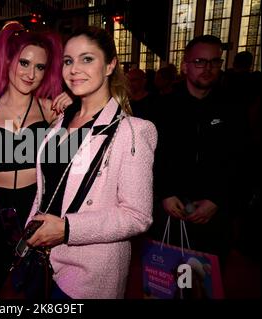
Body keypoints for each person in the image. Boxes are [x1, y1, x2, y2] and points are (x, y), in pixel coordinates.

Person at [25, 26, 157, 299]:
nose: (74, 69)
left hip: (88, 274)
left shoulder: (132, 130)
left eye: (87, 59)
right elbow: (47, 189)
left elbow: (138, 216)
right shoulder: (61, 121)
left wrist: (67, 229)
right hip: (43, 260)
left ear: (110, 65)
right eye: (68, 61)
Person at [0, 22, 71, 299]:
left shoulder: (50, 110)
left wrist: (76, 103)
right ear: (8, 60)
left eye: (40, 67)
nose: (31, 74)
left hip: (39, 210)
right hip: (0, 211)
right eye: (25, 63)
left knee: (38, 289)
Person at [152, 35, 234, 267]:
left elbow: (240, 159)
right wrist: (165, 194)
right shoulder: (162, 108)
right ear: (185, 66)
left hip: (215, 214)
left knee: (207, 283)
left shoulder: (232, 108)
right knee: (168, 280)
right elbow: (151, 158)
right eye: (199, 61)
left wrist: (217, 199)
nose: (207, 68)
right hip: (171, 210)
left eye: (214, 62)